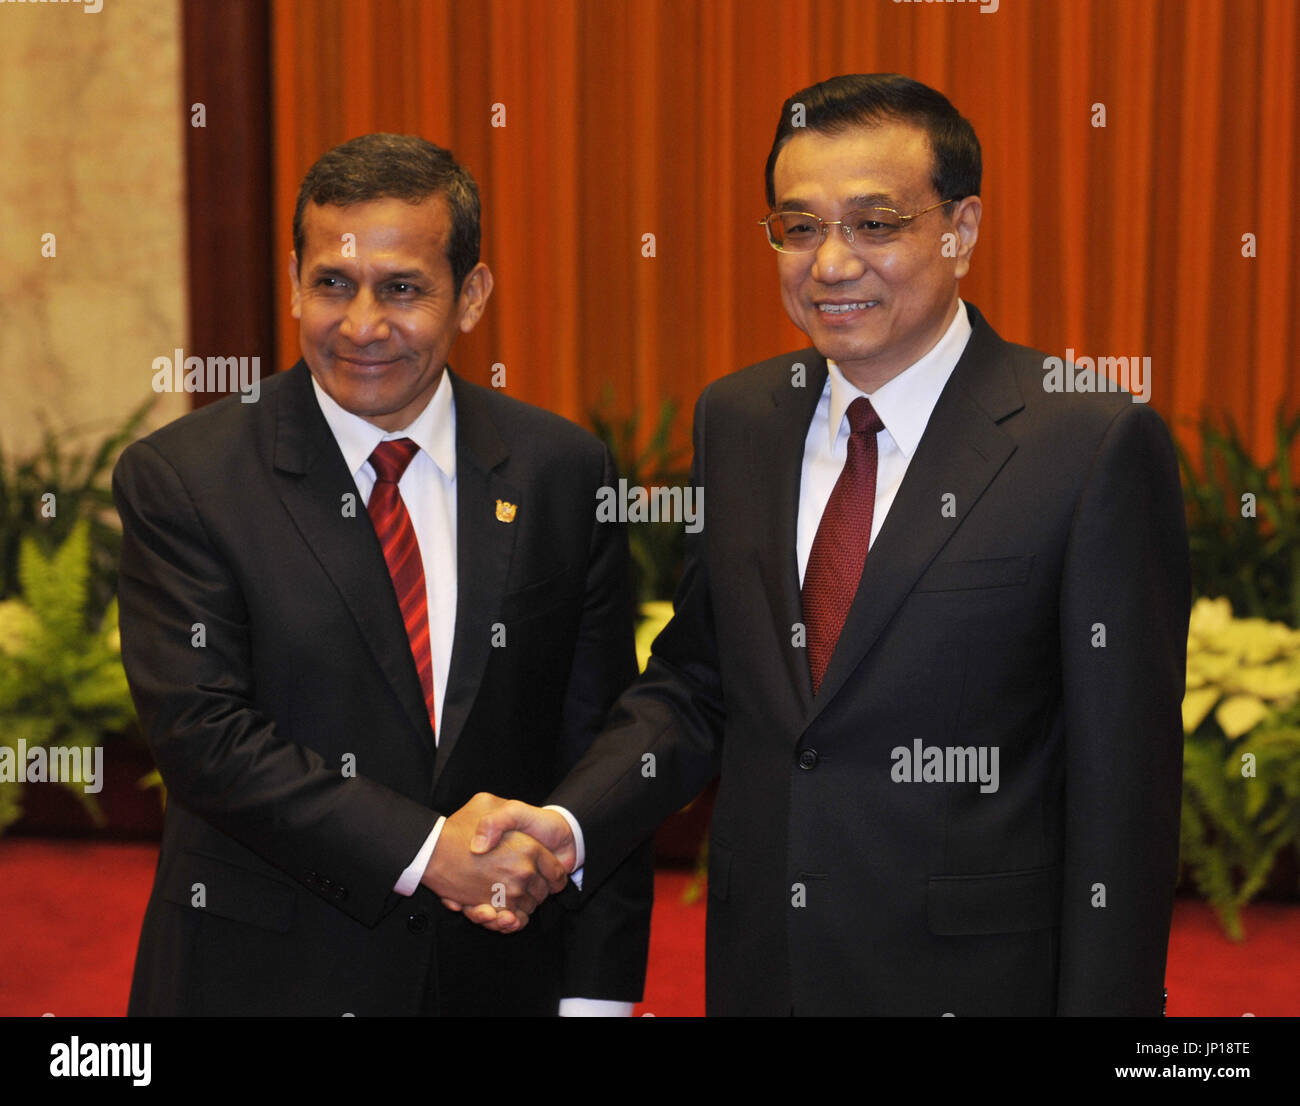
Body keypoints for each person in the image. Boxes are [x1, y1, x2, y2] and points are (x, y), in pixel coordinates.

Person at [457, 74, 1192, 1016]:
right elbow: (699, 680)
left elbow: (1124, 792)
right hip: (767, 970)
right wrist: (567, 823)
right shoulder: (740, 419)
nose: (831, 263)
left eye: (875, 224)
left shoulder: (1089, 441)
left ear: (960, 230)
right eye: (799, 228)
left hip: (981, 980)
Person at [113, 134, 652, 1016]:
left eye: (402, 289)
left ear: (470, 296)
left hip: (497, 980)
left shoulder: (562, 471)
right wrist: (428, 848)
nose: (362, 325)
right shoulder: (187, 478)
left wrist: (596, 997)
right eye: (333, 283)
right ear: (293, 281)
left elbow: (600, 746)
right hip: (261, 979)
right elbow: (203, 735)